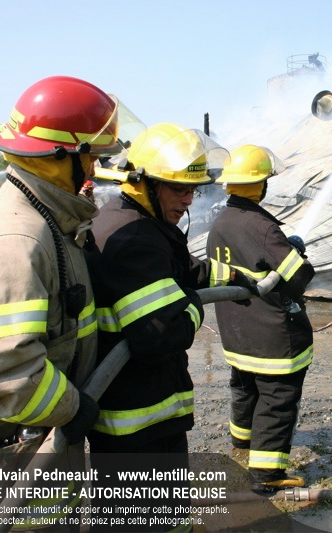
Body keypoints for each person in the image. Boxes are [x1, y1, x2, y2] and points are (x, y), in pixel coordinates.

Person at [0, 76, 121, 517]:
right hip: (18, 465)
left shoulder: (47, 219)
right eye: (91, 156)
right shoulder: (18, 239)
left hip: (40, 445)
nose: (94, 170)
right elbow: (0, 366)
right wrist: (72, 407)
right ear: (61, 157)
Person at [85, 122, 254, 454]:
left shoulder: (127, 218)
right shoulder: (136, 241)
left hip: (134, 412)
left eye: (193, 190)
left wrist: (232, 276)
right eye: (178, 189)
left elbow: (179, 267)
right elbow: (161, 336)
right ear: (145, 182)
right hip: (140, 422)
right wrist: (193, 303)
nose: (188, 200)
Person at [206, 144, 315, 491]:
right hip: (272, 336)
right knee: (277, 400)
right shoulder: (263, 227)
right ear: (261, 185)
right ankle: (267, 475)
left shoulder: (220, 223)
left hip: (236, 332)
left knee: (245, 388)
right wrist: (297, 254)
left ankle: (242, 443)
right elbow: (298, 277)